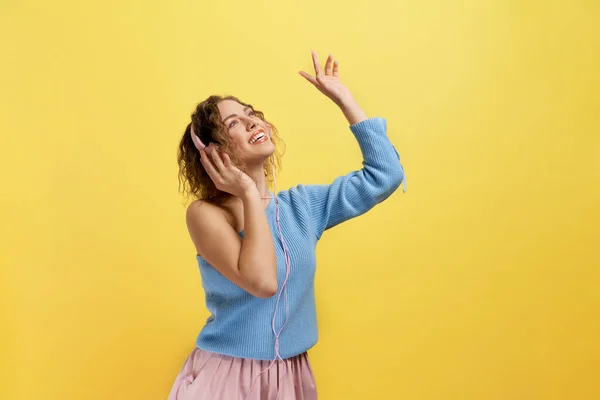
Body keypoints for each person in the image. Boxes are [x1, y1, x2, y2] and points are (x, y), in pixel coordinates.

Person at [169, 50, 406, 400]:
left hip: (292, 377)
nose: (253, 123)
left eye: (251, 115)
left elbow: (386, 176)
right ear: (213, 152)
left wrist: (345, 100)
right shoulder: (206, 214)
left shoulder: (303, 207)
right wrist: (249, 192)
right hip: (228, 378)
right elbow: (263, 282)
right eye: (233, 122)